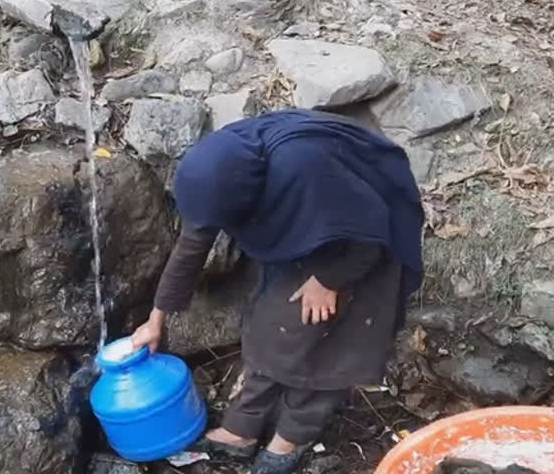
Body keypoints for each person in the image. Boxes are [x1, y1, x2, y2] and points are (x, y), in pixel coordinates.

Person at [130, 109, 424, 474]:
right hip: (309, 229)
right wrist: (155, 319)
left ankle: (292, 438)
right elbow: (192, 246)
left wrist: (328, 280)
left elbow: (373, 234)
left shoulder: (304, 169)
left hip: (363, 237)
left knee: (331, 348)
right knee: (271, 326)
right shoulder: (223, 173)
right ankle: (243, 430)